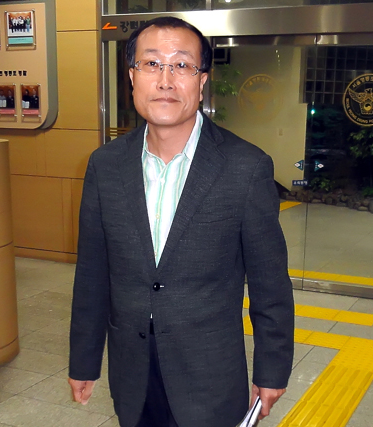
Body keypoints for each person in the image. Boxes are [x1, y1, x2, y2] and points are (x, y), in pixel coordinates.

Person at [68, 16, 294, 427]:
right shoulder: (105, 165)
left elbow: (270, 283)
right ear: (132, 76)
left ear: (201, 80)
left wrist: (272, 371)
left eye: (182, 65)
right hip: (132, 372)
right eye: (152, 64)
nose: (166, 80)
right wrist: (84, 360)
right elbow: (92, 273)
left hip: (209, 376)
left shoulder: (245, 167)